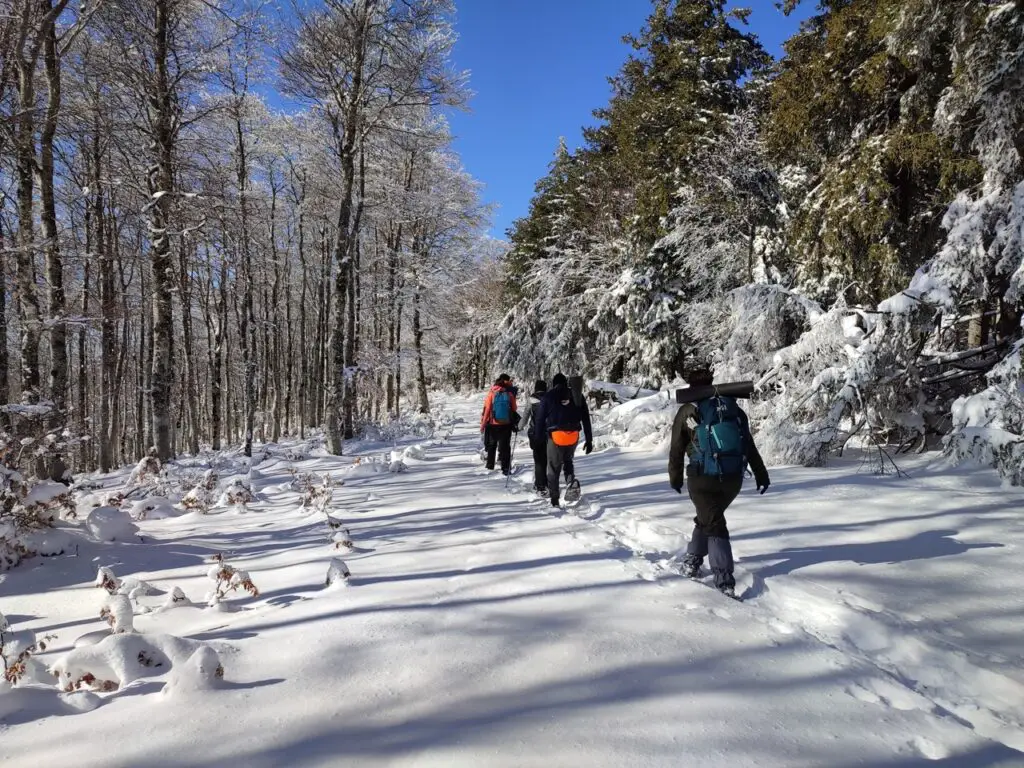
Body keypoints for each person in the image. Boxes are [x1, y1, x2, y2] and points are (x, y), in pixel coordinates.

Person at [668, 369, 770, 598]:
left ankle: (724, 580)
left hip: (702, 478)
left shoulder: (688, 411)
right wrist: (761, 474)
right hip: (733, 479)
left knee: (714, 524)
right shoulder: (733, 410)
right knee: (708, 519)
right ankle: (692, 561)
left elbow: (675, 450)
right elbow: (749, 445)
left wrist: (674, 478)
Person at [534, 373, 593, 507]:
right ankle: (570, 481)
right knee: (567, 460)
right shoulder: (577, 396)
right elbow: (585, 418)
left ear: (554, 383)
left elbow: (540, 419)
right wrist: (589, 440)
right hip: (573, 436)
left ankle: (555, 499)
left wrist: (538, 439)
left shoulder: (548, 396)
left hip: (556, 436)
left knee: (553, 467)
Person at [480, 373, 519, 475]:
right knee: (505, 446)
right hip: (506, 424)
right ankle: (505, 468)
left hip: (493, 423)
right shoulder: (509, 394)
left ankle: (490, 466)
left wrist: (483, 424)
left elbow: (487, 409)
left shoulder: (491, 393)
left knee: (492, 445)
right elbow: (514, 408)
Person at [518, 379, 549, 495]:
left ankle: (540, 485)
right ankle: (547, 483)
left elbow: (526, 415)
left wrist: (519, 427)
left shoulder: (531, 399)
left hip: (535, 433)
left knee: (538, 459)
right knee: (547, 458)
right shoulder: (549, 398)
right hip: (549, 433)